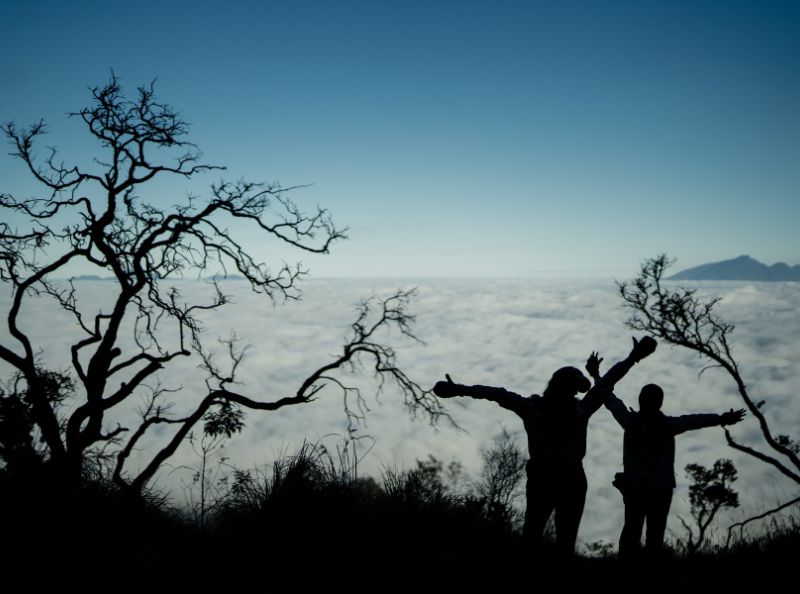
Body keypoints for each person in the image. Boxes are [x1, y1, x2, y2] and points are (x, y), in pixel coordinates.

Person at [432, 336, 657, 561]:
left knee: (546, 540)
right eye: (572, 389)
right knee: (540, 538)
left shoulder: (548, 408)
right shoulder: (556, 409)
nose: (573, 394)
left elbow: (496, 393)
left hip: (562, 478)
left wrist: (460, 389)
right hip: (555, 478)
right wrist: (632, 358)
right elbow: (496, 393)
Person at [584, 352, 745, 569]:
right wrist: (721, 419)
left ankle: (627, 573)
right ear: (659, 403)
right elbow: (694, 420)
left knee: (633, 532)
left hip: (642, 488)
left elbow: (608, 398)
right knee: (650, 535)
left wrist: (596, 375)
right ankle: (645, 573)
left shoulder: (631, 421)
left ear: (642, 401)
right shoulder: (663, 425)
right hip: (657, 489)